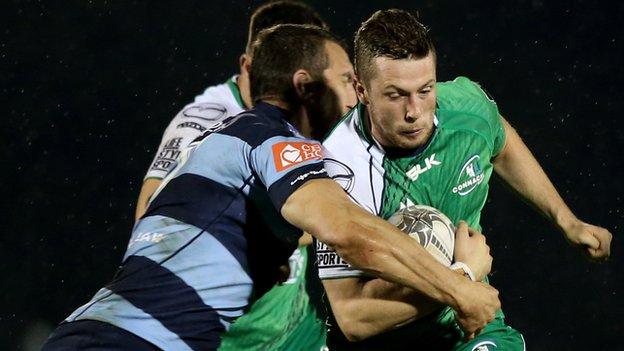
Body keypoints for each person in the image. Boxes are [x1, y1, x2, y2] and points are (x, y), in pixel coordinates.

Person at [42, 24, 501, 350]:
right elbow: (347, 230)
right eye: (345, 80)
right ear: (305, 87)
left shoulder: (231, 148)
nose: (354, 96)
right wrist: (460, 283)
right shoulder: (269, 138)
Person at [317, 9, 613, 351]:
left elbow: (499, 138)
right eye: (395, 95)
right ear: (361, 90)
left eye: (425, 90)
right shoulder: (338, 169)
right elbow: (353, 318)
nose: (415, 111)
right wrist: (463, 278)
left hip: (467, 331)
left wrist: (565, 219)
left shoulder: (464, 107)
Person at [135, 2, 352, 350]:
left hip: (298, 330)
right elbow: (152, 214)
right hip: (232, 338)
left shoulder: (313, 112)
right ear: (250, 66)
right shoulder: (211, 119)